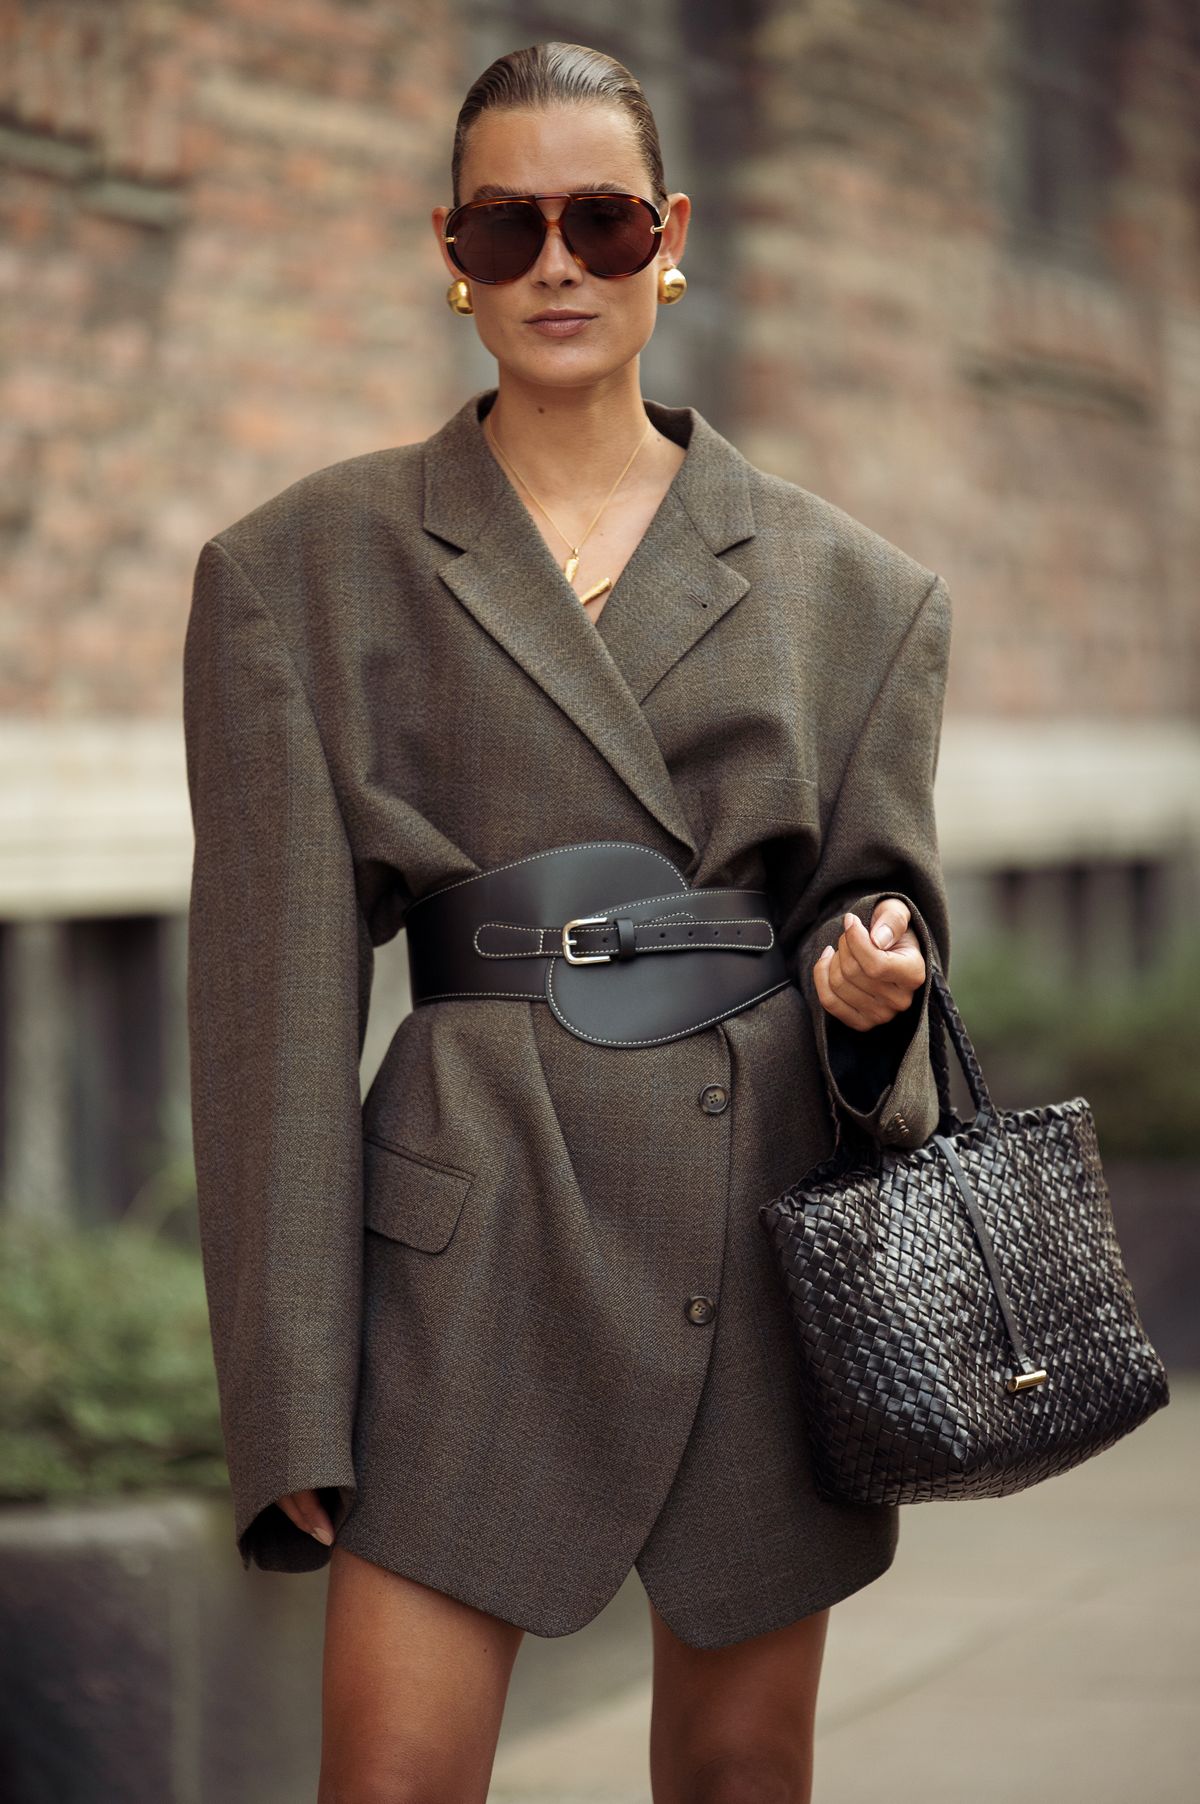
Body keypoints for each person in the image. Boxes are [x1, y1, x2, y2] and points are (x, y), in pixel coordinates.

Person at [183, 38, 954, 1804]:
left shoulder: (862, 593)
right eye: (505, 223)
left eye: (600, 221)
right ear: (448, 252)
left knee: (745, 1774)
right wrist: (289, 1396)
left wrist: (870, 992)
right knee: (387, 1778)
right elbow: (273, 1021)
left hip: (746, 1229)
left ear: (668, 238)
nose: (556, 264)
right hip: (470, 1229)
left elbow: (882, 925)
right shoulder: (300, 573)